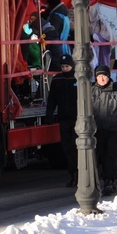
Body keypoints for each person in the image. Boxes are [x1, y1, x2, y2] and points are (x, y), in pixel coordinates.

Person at [90, 64, 117, 196]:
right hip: (97, 130)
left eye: (104, 76)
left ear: (109, 77)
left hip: (114, 130)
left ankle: (109, 182)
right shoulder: (91, 90)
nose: (102, 79)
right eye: (99, 76)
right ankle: (98, 181)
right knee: (100, 156)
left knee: (111, 157)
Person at [45, 54, 78, 186]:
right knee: (67, 148)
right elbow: (52, 99)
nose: (65, 69)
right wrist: (49, 114)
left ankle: (81, 174)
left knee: (77, 148)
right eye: (63, 66)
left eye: (67, 66)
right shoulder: (57, 79)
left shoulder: (78, 78)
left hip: (78, 119)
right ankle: (73, 175)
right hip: (64, 118)